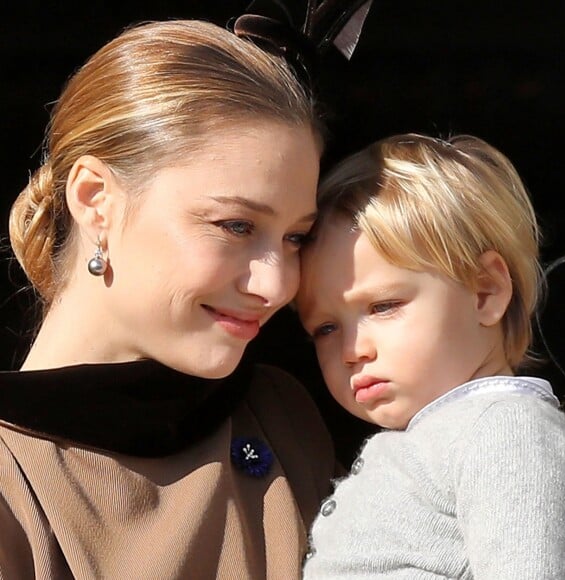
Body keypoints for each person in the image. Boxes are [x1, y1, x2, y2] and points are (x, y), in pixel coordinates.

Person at [0, 18, 339, 579]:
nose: (276, 285)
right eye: (234, 225)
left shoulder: (284, 417)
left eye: (295, 237)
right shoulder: (14, 482)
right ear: (95, 200)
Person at [296, 133, 565, 578]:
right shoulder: (443, 435)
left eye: (383, 306)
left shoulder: (508, 430)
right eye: (325, 329)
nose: (353, 350)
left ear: (485, 292)